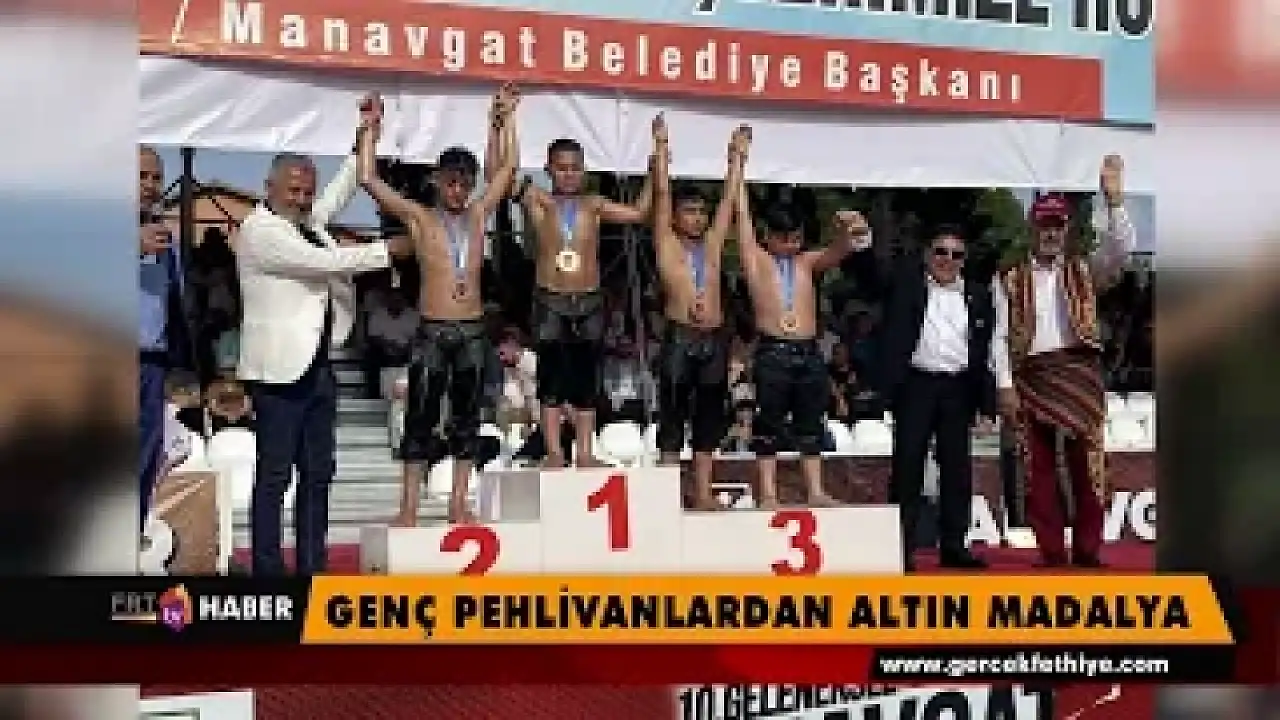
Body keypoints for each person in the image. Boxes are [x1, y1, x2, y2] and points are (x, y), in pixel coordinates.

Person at [234, 96, 391, 576]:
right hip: (277, 372)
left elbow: (344, 185)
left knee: (319, 474)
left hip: (319, 367)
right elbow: (326, 262)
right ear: (269, 188)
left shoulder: (309, 224)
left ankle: (312, 565)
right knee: (275, 475)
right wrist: (390, 250)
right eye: (294, 191)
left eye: (307, 192)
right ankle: (267, 571)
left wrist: (366, 134)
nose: (302, 199)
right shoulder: (260, 231)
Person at [357, 85, 519, 525]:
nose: (458, 190)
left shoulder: (479, 215)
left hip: (471, 331)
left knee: (467, 421)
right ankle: (408, 508)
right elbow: (369, 179)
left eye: (465, 183)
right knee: (419, 420)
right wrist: (369, 129)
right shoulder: (420, 218)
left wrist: (504, 118)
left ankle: (458, 503)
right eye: (451, 182)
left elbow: (507, 169)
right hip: (432, 330)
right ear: (436, 180)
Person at [993, 155, 1136, 568]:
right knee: (1036, 469)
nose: (1051, 233)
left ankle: (1088, 550)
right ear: (1032, 228)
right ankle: (1052, 552)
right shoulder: (1009, 278)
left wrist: (1115, 203)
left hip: (1078, 372)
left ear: (1067, 229)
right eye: (1045, 225)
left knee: (1087, 465)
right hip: (1031, 374)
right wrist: (1004, 384)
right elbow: (1000, 335)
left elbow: (1121, 250)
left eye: (1058, 225)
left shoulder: (1084, 270)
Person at [846, 224, 1002, 570]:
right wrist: (861, 243)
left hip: (958, 389)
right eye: (941, 252)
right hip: (916, 386)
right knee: (908, 468)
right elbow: (870, 278)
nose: (948, 260)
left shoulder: (978, 296)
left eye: (956, 254)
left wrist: (987, 402)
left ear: (964, 260)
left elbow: (984, 352)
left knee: (957, 471)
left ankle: (954, 546)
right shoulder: (907, 284)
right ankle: (902, 549)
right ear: (928, 255)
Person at [512, 127, 655, 467]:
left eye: (575, 168)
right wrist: (506, 124)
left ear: (584, 170)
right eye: (562, 168)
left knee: (587, 383)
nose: (569, 174)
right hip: (550, 299)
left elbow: (638, 214)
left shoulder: (594, 204)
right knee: (550, 381)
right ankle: (554, 452)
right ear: (548, 169)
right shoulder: (538, 200)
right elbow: (499, 176)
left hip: (588, 301)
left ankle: (585, 453)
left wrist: (654, 173)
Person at [735, 162, 869, 509]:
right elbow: (742, 218)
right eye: (783, 238)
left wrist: (848, 227)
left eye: (796, 238)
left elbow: (841, 251)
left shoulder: (807, 262)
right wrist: (737, 170)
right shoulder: (756, 260)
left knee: (811, 422)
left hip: (808, 350)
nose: (791, 244)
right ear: (767, 235)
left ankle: (816, 490)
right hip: (773, 350)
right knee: (768, 423)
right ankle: (768, 493)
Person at [651, 117, 745, 508]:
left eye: (700, 212)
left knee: (708, 420)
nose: (697, 218)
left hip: (713, 339)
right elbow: (661, 194)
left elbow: (728, 202)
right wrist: (660, 148)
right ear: (675, 216)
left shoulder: (712, 244)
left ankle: (703, 493)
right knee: (673, 417)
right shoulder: (666, 242)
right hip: (680, 336)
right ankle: (668, 496)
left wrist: (736, 158)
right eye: (689, 211)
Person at [138, 145, 195, 534]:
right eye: (141, 176)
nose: (150, 185)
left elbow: (173, 302)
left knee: (145, 459)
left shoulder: (164, 237)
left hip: (153, 362)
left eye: (156, 178)